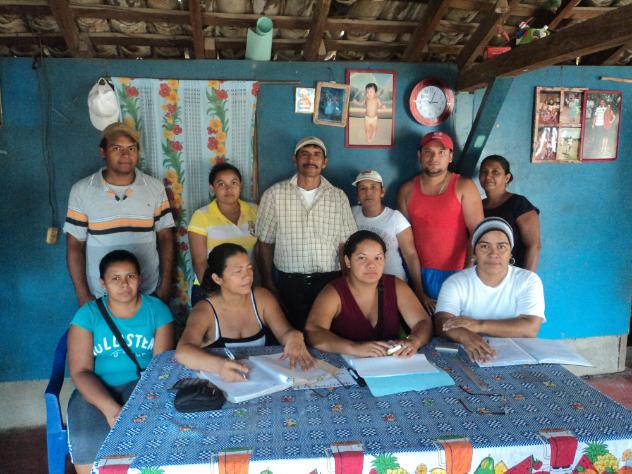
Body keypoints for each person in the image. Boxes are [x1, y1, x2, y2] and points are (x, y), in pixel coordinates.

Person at [67, 250, 174, 474]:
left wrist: (142, 402)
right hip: (97, 387)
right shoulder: (88, 315)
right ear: (103, 283)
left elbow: (160, 368)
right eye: (115, 278)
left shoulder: (157, 311)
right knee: (86, 436)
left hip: (144, 387)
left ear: (140, 279)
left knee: (157, 433)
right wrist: (112, 410)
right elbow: (80, 371)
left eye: (130, 276)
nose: (124, 284)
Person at [64, 122, 175, 307]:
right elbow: (74, 245)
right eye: (117, 148)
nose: (125, 154)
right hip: (100, 294)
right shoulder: (82, 190)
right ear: (103, 151)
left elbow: (165, 237)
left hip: (148, 291)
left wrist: (164, 286)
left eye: (131, 148)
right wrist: (82, 294)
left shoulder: (154, 188)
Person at [255, 136, 357, 330]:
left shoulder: (338, 197)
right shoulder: (274, 194)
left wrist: (347, 282)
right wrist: (268, 282)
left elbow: (345, 244)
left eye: (317, 154)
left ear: (324, 162)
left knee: (329, 334)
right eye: (305, 154)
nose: (311, 159)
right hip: (289, 284)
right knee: (294, 335)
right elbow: (264, 243)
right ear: (295, 159)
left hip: (330, 282)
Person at [175, 243, 314, 380]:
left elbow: (284, 332)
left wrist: (294, 337)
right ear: (217, 278)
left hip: (261, 381)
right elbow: (182, 352)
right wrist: (219, 366)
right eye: (238, 271)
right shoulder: (205, 311)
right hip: (224, 383)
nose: (247, 276)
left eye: (249, 268)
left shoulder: (262, 298)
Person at [434, 217, 545, 363]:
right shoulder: (456, 282)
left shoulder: (528, 280)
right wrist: (464, 336)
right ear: (474, 253)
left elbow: (530, 329)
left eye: (501, 247)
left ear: (510, 253)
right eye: (485, 246)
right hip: (469, 353)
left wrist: (478, 325)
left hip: (518, 355)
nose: (493, 254)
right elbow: (442, 322)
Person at [305, 230, 432, 357]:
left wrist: (414, 340)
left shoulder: (396, 286)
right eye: (362, 258)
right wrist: (353, 348)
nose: (371, 265)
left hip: (390, 363)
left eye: (378, 258)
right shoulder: (334, 292)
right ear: (348, 261)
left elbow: (422, 321)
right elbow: (313, 331)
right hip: (347, 363)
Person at [397, 131, 483, 312]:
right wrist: (419, 290)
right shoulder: (406, 190)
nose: (434, 158)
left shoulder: (464, 186)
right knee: (424, 326)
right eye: (428, 152)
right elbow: (406, 244)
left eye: (441, 152)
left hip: (458, 272)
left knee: (456, 326)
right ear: (419, 155)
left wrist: (466, 275)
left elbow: (478, 234)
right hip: (419, 274)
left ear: (450, 156)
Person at [350, 169, 427, 310]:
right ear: (357, 194)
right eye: (363, 188)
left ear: (382, 192)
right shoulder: (351, 213)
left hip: (393, 283)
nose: (368, 193)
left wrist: (419, 292)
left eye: (373, 187)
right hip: (361, 285)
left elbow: (410, 255)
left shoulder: (395, 218)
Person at [188, 163, 257, 306]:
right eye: (221, 184)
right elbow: (199, 262)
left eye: (234, 183)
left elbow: (261, 253)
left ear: (240, 185)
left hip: (246, 284)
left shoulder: (255, 211)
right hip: (212, 288)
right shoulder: (201, 216)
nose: (228, 189)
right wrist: (216, 296)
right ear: (212, 188)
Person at [479, 155, 541, 271]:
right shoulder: (478, 206)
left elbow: (534, 246)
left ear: (507, 178)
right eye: (484, 172)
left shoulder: (518, 204)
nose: (488, 176)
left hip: (513, 274)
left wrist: (526, 278)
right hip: (485, 273)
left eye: (495, 172)